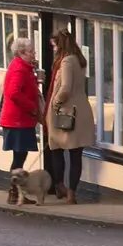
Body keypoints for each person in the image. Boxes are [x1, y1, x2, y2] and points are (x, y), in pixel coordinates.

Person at [44, 28, 95, 204]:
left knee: (56, 149)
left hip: (66, 112)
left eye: (54, 45)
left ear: (61, 44)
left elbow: (65, 87)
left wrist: (55, 102)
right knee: (76, 155)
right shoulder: (79, 60)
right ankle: (71, 191)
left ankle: (61, 186)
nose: (53, 49)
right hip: (80, 111)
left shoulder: (66, 61)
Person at [0, 35, 43, 205]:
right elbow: (13, 93)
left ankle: (17, 194)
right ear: (22, 53)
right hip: (17, 120)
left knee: (20, 156)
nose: (34, 54)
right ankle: (13, 193)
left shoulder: (23, 67)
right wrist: (31, 107)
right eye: (31, 51)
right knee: (19, 158)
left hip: (19, 119)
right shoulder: (19, 68)